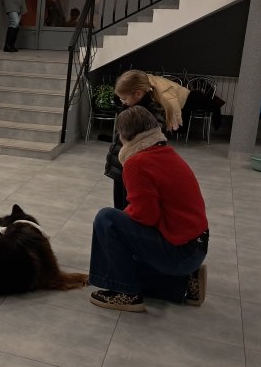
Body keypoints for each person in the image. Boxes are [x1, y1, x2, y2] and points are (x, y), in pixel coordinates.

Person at [89, 105, 209, 312]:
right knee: (125, 265)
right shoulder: (166, 153)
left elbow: (146, 216)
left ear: (124, 135)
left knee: (106, 219)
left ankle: (127, 294)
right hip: (194, 247)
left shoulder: (137, 162)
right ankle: (185, 284)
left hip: (179, 252)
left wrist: (121, 221)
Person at [104, 72, 167, 210]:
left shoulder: (152, 111)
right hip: (120, 167)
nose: (123, 101)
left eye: (124, 98)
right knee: (119, 207)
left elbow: (157, 137)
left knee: (129, 209)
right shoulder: (129, 105)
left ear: (138, 94)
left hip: (135, 169)